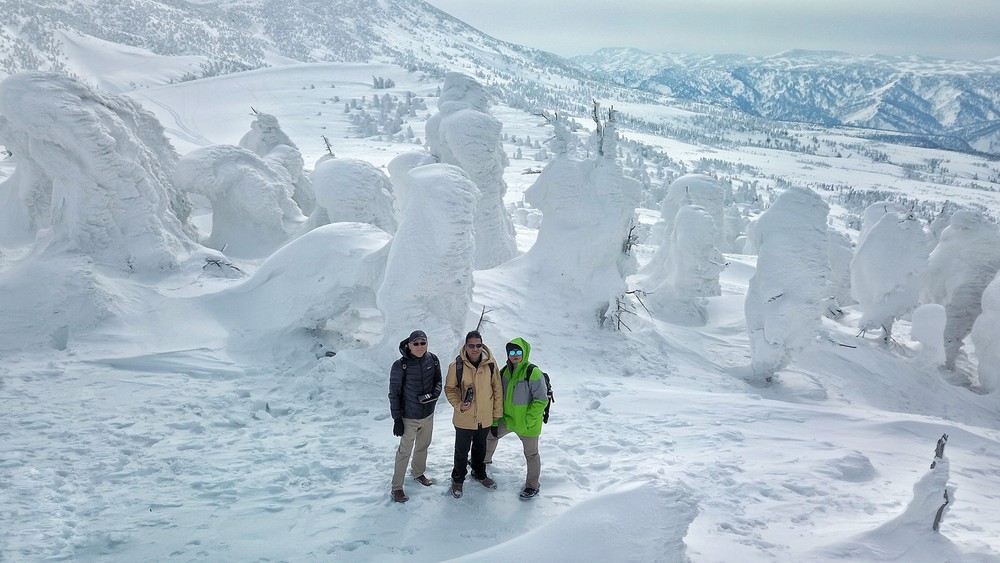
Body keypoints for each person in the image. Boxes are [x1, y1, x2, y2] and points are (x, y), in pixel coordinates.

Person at [485, 337, 548, 499]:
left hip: (527, 424)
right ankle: (484, 460)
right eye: (511, 352)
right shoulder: (504, 372)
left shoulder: (532, 372)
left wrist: (529, 420)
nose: (515, 354)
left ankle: (532, 486)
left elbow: (541, 400)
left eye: (518, 351)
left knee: (531, 455)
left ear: (524, 352)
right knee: (490, 436)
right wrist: (495, 421)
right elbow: (498, 397)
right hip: (508, 420)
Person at [444, 330, 503, 498]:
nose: (475, 349)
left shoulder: (491, 364)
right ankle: (458, 479)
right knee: (461, 451)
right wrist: (458, 404)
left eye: (478, 345)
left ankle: (479, 473)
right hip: (464, 416)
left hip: (484, 416)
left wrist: (496, 414)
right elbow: (450, 389)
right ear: (466, 346)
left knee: (480, 448)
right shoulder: (457, 366)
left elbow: (497, 389)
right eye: (471, 345)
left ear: (482, 345)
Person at [387, 330, 442, 503]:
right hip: (409, 416)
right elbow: (394, 394)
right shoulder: (400, 365)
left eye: (423, 343)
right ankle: (397, 487)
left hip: (428, 414)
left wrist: (434, 393)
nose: (420, 346)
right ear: (409, 345)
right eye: (416, 343)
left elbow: (438, 380)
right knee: (404, 451)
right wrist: (397, 419)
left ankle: (418, 472)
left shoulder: (432, 359)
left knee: (423, 446)